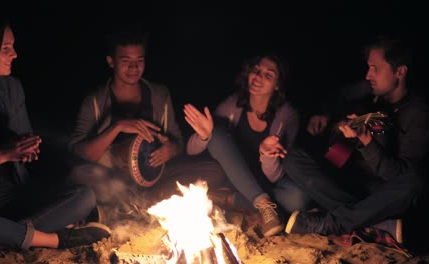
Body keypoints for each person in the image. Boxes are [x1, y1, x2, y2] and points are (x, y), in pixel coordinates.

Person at [0, 18, 111, 262]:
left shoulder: (11, 88)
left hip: (11, 193)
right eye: (6, 49)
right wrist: (0, 156)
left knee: (85, 196)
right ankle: (56, 239)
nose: (15, 54)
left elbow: (23, 140)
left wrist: (27, 149)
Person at [283, 36, 429, 242]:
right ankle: (373, 222)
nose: (368, 75)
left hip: (383, 193)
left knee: (415, 181)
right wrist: (325, 114)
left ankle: (334, 223)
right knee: (292, 158)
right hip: (354, 185)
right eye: (368, 67)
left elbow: (399, 176)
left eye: (375, 68)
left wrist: (367, 142)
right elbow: (338, 96)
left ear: (400, 72)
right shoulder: (372, 90)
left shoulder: (418, 113)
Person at [69, 25, 226, 212]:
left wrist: (170, 150)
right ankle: (131, 204)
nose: (134, 67)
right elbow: (79, 153)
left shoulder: (159, 94)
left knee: (213, 170)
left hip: (154, 176)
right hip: (113, 178)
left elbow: (178, 143)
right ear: (111, 62)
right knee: (79, 174)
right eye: (126, 61)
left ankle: (142, 204)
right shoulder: (94, 100)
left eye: (139, 60)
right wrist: (117, 127)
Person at [183, 52, 311, 237]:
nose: (258, 77)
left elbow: (276, 175)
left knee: (298, 199)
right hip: (238, 177)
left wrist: (266, 155)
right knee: (216, 135)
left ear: (277, 85)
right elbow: (190, 150)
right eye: (256, 70)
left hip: (268, 182)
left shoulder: (287, 115)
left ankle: (233, 199)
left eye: (268, 75)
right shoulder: (232, 105)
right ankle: (265, 206)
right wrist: (203, 136)